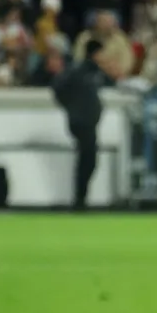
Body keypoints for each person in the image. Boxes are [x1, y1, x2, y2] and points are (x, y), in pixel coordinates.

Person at [51, 39, 122, 209]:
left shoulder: (93, 71)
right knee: (88, 159)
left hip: (89, 122)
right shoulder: (79, 70)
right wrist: (72, 107)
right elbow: (58, 88)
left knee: (88, 159)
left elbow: (111, 83)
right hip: (81, 121)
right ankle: (80, 199)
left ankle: (81, 198)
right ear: (95, 53)